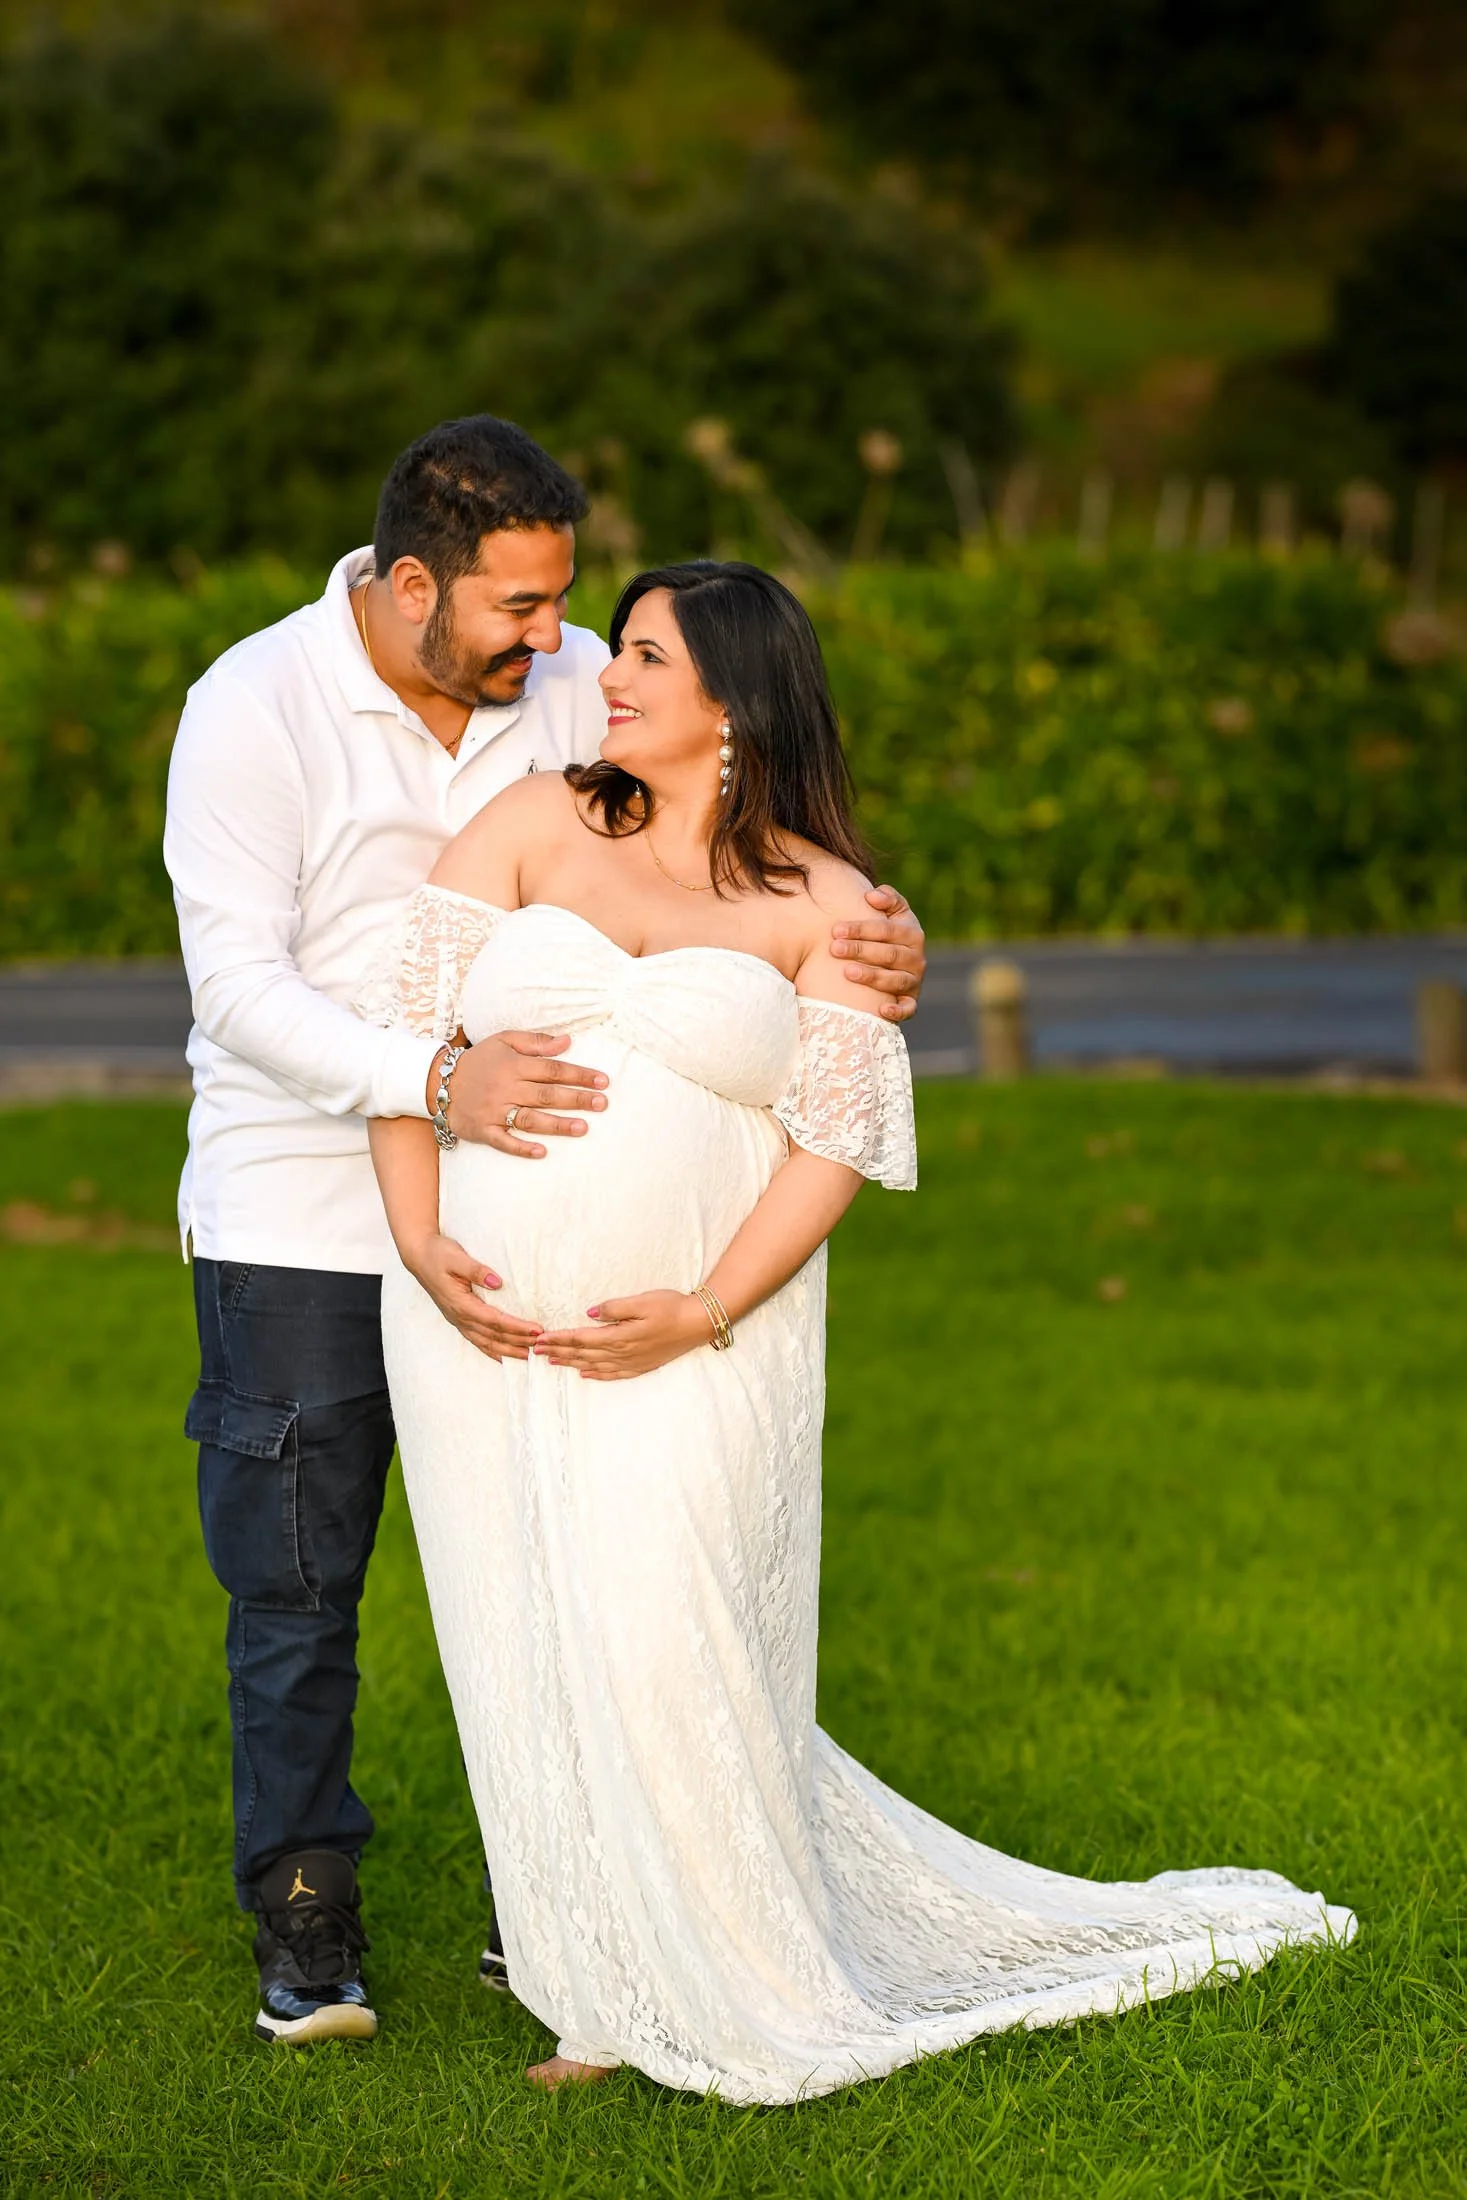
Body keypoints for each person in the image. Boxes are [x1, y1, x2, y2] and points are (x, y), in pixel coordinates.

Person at [361, 560, 1355, 2103]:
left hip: (694, 1341)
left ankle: (725, 1969)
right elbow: (399, 1041)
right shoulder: (529, 825)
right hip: (471, 1328)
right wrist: (423, 1243)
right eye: (614, 651)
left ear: (736, 701)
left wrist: (698, 1307)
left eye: (641, 657)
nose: (605, 680)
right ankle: (593, 1989)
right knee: (520, 1639)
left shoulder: (831, 904)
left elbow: (833, 1146)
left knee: (665, 1635)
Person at [163, 419, 929, 2047]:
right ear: (416, 583)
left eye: (570, 606)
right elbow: (234, 988)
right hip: (296, 1207)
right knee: (299, 1583)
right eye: (521, 607)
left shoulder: (580, 678)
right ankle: (308, 1914)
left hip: (552, 1253)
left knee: (575, 1570)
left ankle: (574, 1906)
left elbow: (757, 834)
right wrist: (437, 1084)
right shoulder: (253, 707)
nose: (556, 640)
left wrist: (881, 927)